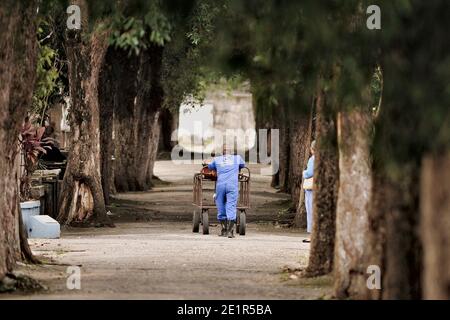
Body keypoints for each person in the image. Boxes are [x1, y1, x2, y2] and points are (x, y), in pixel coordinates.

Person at [205, 145, 245, 238]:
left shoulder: (217, 159)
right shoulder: (237, 158)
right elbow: (243, 165)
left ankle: (223, 230)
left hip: (221, 185)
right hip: (232, 185)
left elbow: (210, 167)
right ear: (231, 152)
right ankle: (230, 231)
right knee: (231, 206)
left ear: (222, 152)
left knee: (220, 205)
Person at [303, 140, 315, 243]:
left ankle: (312, 236)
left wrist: (304, 173)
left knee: (311, 211)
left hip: (311, 188)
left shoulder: (313, 159)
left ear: (312, 149)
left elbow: (309, 173)